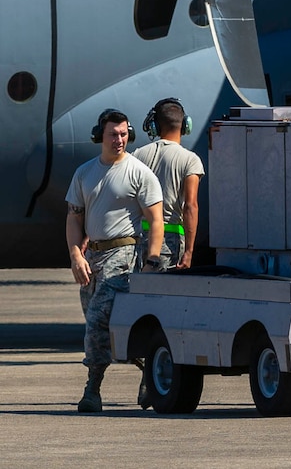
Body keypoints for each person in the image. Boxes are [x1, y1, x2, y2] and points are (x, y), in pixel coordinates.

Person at [66, 108, 164, 414]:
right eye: (113, 134)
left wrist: (152, 261)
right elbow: (74, 217)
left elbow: (156, 220)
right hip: (91, 258)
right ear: (100, 136)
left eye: (124, 134)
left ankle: (92, 390)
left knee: (96, 323)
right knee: (108, 327)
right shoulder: (84, 173)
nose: (119, 139)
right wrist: (75, 255)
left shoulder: (139, 173)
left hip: (123, 256)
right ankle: (149, 371)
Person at [132, 97, 205, 270]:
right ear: (186, 125)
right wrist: (189, 251)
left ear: (154, 126)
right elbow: (191, 206)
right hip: (168, 242)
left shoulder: (137, 155)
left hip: (137, 238)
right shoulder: (190, 160)